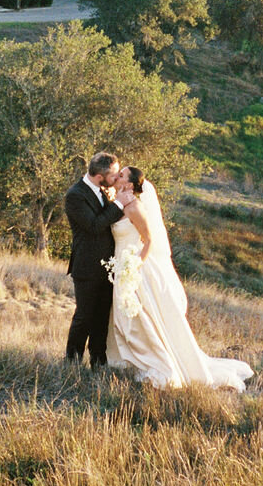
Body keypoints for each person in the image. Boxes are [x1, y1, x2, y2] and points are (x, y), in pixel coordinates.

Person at [106, 166, 252, 391]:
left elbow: (148, 240)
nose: (118, 177)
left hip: (136, 269)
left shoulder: (135, 207)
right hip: (122, 265)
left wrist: (134, 266)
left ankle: (158, 361)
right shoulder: (119, 205)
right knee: (127, 317)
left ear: (131, 185)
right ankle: (130, 360)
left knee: (142, 317)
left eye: (122, 175)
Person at [63, 150, 124, 368]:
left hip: (107, 267)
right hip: (87, 266)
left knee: (101, 319)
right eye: (114, 175)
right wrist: (118, 205)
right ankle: (72, 362)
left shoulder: (103, 190)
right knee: (84, 316)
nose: (116, 179)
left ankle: (98, 362)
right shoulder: (75, 195)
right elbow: (94, 226)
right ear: (100, 176)